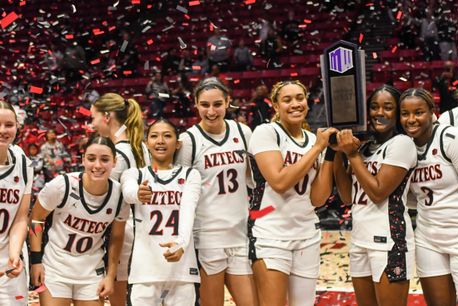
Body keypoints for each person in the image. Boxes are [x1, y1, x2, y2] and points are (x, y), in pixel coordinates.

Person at [399, 88, 458, 306]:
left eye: (419, 112)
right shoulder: (403, 145)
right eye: (405, 113)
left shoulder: (452, 138)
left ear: (432, 111)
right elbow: (414, 195)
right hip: (428, 240)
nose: (411, 119)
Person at [248, 80, 337, 305]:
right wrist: (317, 148)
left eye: (300, 98)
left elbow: (318, 198)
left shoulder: (312, 140)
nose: (295, 104)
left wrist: (329, 154)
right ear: (276, 106)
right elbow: (279, 181)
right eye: (287, 100)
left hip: (307, 235)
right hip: (271, 235)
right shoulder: (266, 132)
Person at [174, 77, 257, 306]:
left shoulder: (244, 132)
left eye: (217, 104)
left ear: (228, 102)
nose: (211, 111)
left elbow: (253, 181)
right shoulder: (188, 140)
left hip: (240, 234)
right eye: (205, 105)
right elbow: (180, 193)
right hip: (206, 238)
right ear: (196, 104)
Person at [333, 85, 417, 306]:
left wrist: (351, 155)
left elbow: (378, 192)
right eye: (374, 107)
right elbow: (346, 197)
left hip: (389, 240)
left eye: (388, 107)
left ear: (398, 112)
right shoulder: (364, 147)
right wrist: (337, 152)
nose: (379, 112)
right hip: (360, 238)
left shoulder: (402, 143)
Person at [29, 136, 128, 306]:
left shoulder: (120, 196)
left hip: (91, 271)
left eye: (104, 159)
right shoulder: (62, 185)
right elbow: (36, 219)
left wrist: (111, 275)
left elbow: (117, 238)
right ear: (83, 160)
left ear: (114, 162)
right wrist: (36, 261)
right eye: (91, 159)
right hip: (55, 268)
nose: (97, 165)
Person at [121, 119, 200, 305]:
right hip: (144, 271)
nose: (160, 141)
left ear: (178, 143)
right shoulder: (135, 174)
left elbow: (188, 210)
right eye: (154, 136)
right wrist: (138, 194)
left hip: (182, 269)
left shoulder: (190, 175)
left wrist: (181, 243)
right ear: (147, 143)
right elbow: (128, 193)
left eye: (167, 136)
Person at [90, 93, 150, 306]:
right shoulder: (140, 145)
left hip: (122, 233)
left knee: (119, 299)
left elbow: (105, 200)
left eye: (93, 118)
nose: (92, 125)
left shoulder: (119, 153)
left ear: (107, 116)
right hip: (140, 230)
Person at [0, 101, 33, 305]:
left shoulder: (22, 161)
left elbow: (21, 217)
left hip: (9, 256)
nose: (2, 130)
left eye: (9, 125)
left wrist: (14, 254)